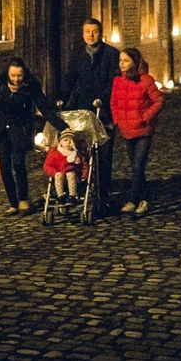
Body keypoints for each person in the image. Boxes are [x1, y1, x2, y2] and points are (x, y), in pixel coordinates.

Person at [0, 57, 68, 216]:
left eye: (19, 76)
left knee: (18, 162)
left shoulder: (31, 87)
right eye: (13, 75)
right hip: (2, 128)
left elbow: (44, 108)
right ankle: (13, 203)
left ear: (24, 74)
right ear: (8, 73)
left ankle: (23, 198)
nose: (16, 79)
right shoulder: (0, 84)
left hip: (21, 128)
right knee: (4, 165)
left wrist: (62, 127)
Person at [58, 19, 122, 215]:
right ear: (83, 34)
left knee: (102, 154)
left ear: (100, 33)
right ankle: (81, 190)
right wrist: (62, 97)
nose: (91, 35)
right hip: (84, 111)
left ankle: (102, 196)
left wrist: (102, 98)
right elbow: (70, 77)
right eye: (87, 32)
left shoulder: (111, 54)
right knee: (83, 155)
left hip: (103, 111)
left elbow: (114, 80)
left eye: (94, 32)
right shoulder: (77, 54)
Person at [109, 47, 164, 216]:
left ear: (134, 62)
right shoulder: (118, 81)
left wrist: (146, 116)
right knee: (135, 167)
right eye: (120, 61)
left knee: (139, 165)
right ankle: (145, 199)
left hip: (143, 130)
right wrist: (118, 119)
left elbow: (159, 100)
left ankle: (133, 199)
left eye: (125, 60)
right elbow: (114, 102)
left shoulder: (146, 80)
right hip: (127, 130)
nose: (122, 64)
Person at [43, 132, 87, 203]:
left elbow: (84, 166)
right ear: (61, 142)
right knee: (58, 175)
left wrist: (84, 176)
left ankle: (72, 196)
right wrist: (55, 172)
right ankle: (60, 196)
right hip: (60, 178)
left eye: (70, 141)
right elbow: (47, 166)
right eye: (65, 140)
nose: (68, 143)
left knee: (70, 173)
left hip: (75, 178)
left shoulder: (77, 155)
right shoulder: (54, 153)